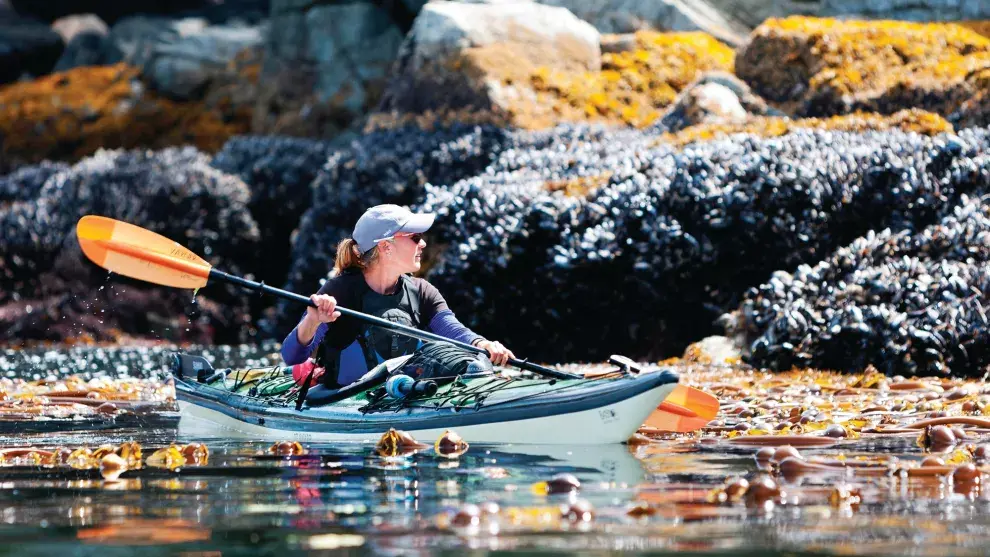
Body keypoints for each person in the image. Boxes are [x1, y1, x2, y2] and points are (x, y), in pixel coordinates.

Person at [281, 204, 515, 389]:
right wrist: (312, 320)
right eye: (414, 237)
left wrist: (482, 344)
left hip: (402, 393)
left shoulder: (423, 291)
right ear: (386, 247)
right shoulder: (339, 292)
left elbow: (453, 330)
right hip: (346, 400)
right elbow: (292, 356)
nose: (422, 243)